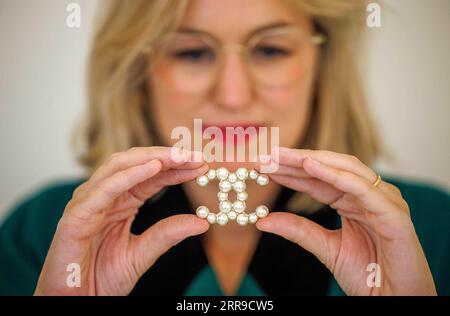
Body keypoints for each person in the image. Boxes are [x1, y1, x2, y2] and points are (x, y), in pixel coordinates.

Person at [1, 0, 449, 296]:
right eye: (192, 53)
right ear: (139, 75)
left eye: (270, 50)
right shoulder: (46, 232)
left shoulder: (429, 232)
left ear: (322, 66)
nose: (232, 95)